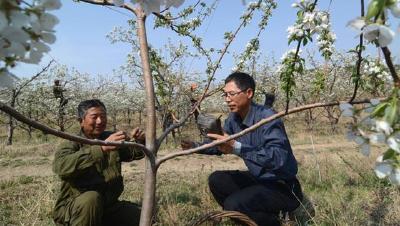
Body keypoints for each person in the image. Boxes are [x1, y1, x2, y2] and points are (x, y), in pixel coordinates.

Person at [182, 72, 303, 226]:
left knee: (234, 205)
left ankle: (276, 222)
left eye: (232, 94)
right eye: (225, 95)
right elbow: (222, 144)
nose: (227, 99)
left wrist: (237, 147)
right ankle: (252, 218)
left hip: (283, 186)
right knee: (217, 180)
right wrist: (196, 146)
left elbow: (278, 158)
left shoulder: (268, 118)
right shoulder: (234, 119)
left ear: (249, 93)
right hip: (259, 179)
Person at [52, 99, 145, 226]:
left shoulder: (110, 138)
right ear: (81, 121)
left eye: (103, 116)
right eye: (94, 117)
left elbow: (134, 153)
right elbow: (61, 167)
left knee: (144, 216)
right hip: (77, 208)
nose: (100, 121)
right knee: (91, 199)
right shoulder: (71, 143)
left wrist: (140, 142)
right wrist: (102, 149)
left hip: (107, 206)